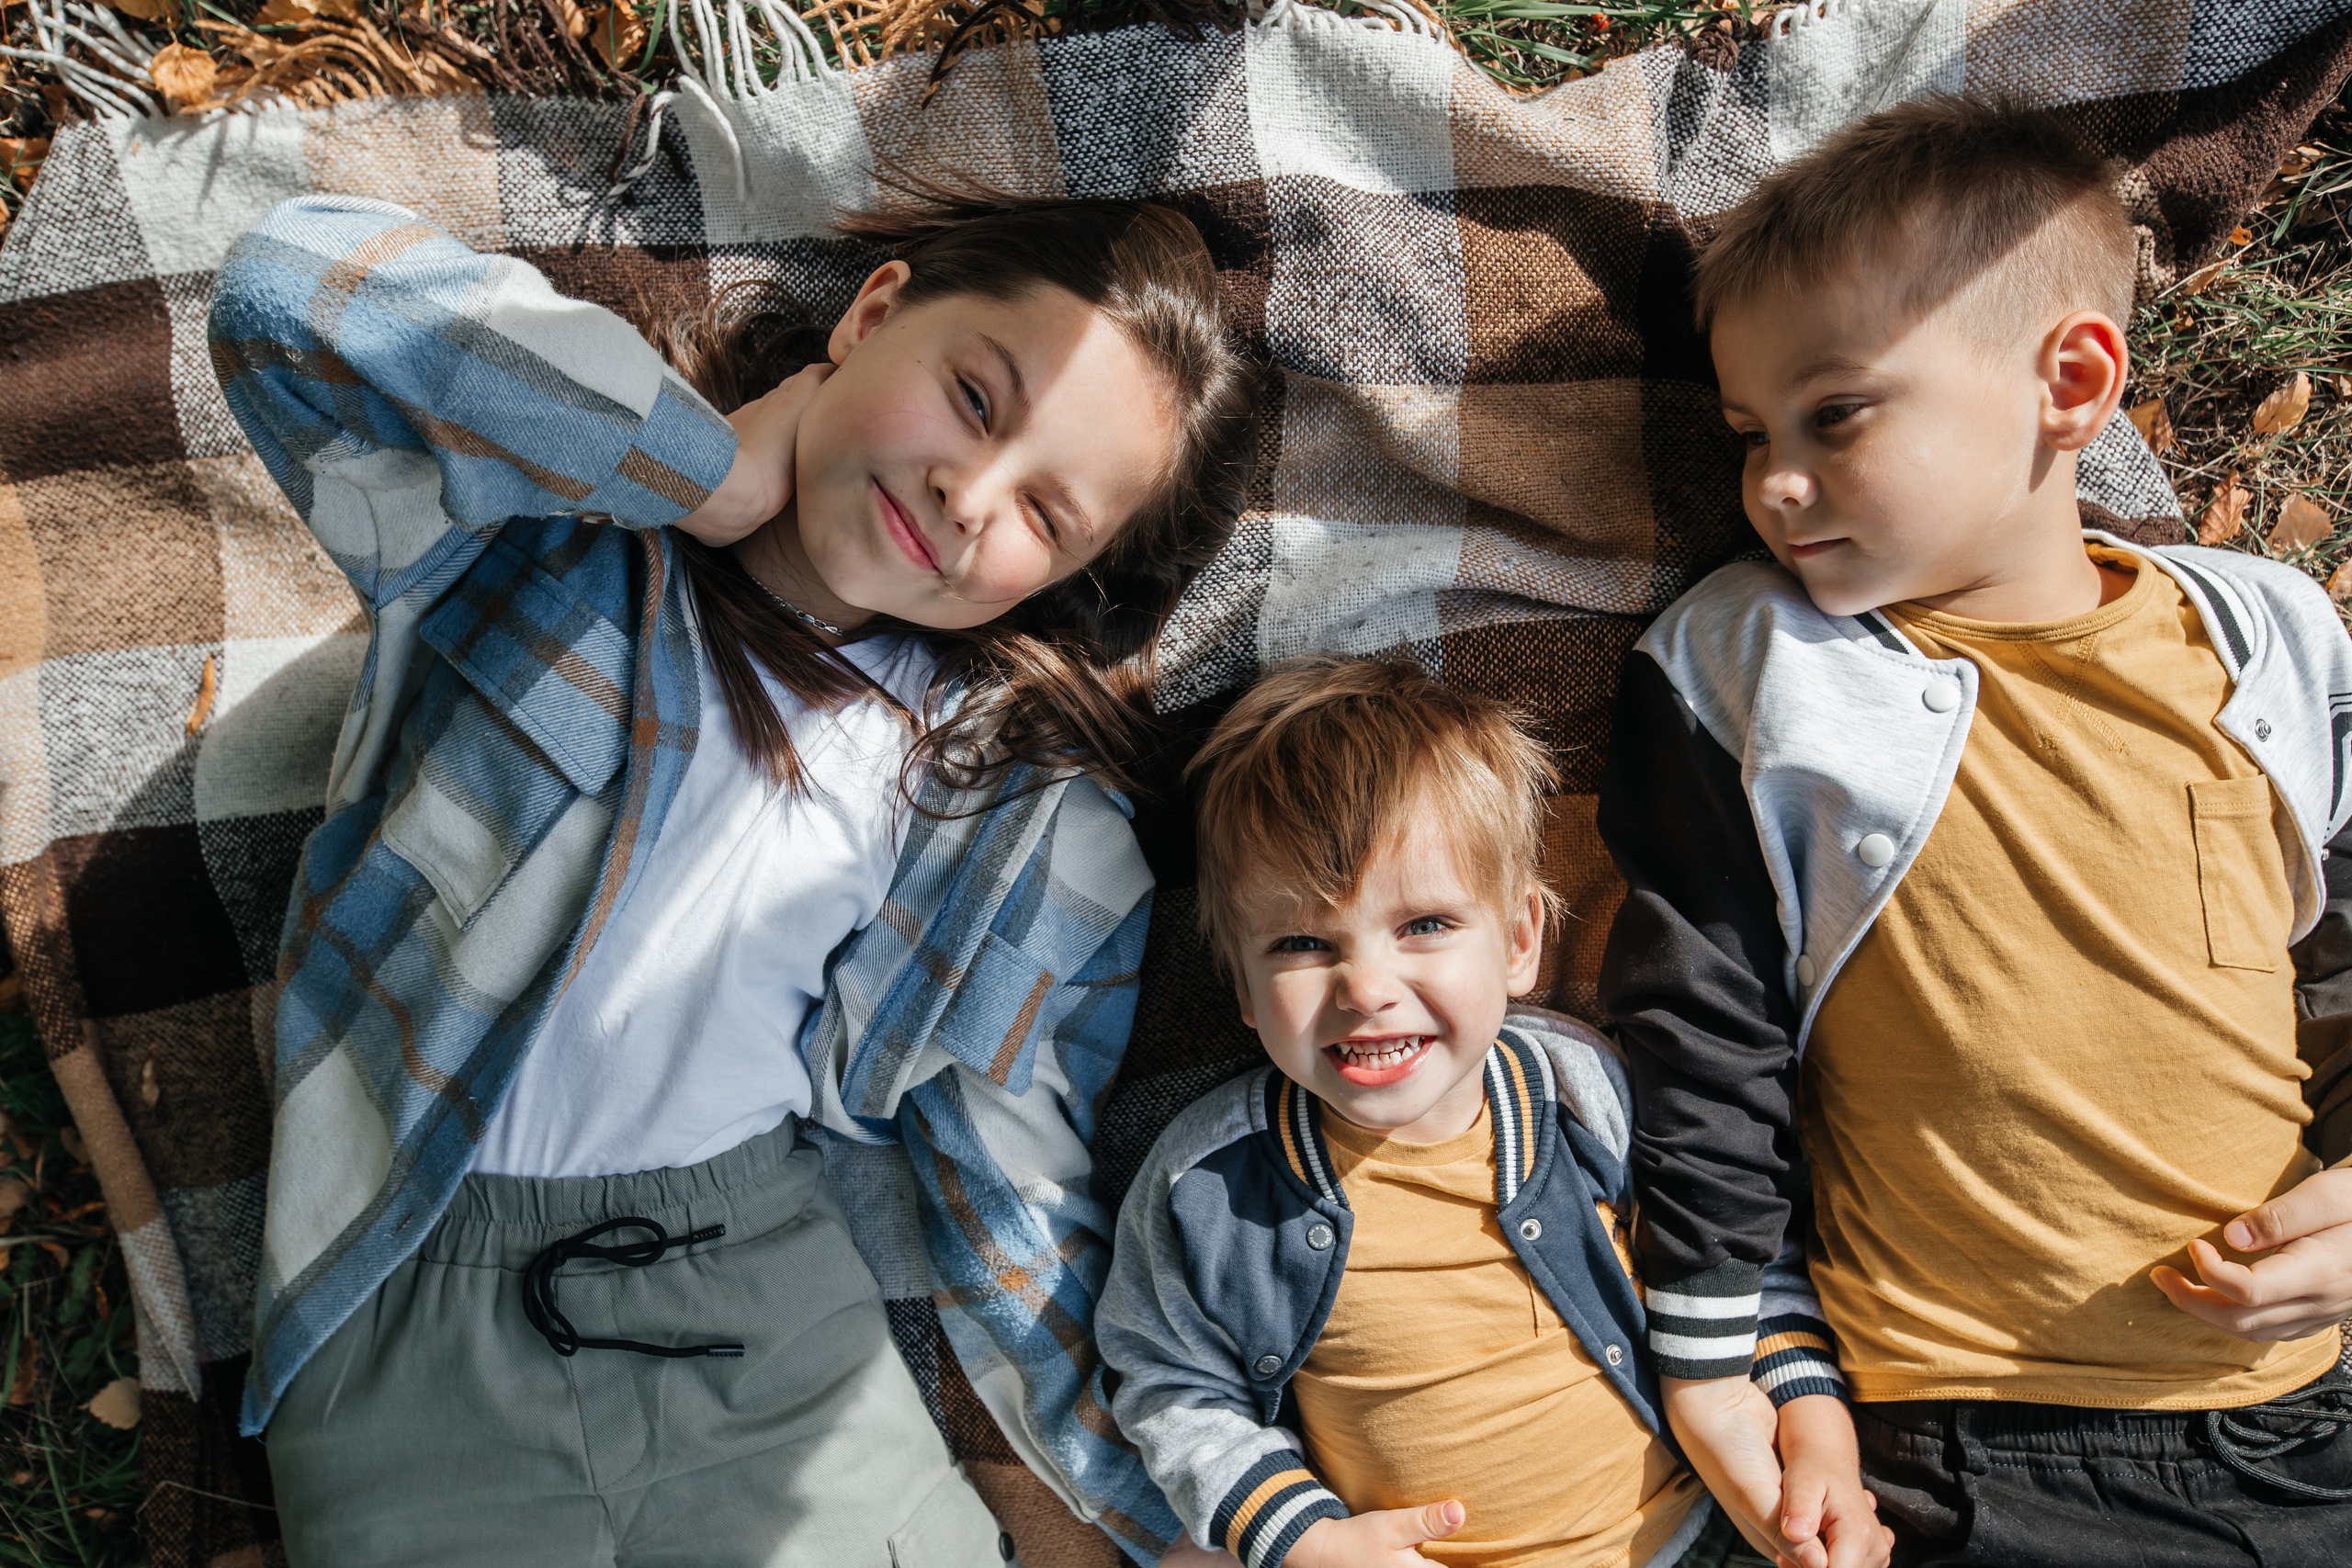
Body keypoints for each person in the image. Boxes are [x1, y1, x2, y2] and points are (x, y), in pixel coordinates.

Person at [208, 185, 1258, 1566]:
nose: (968, 494)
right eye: (973, 399)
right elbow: (290, 289)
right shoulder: (539, 541)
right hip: (402, 1294)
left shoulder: (1007, 805)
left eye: (1046, 515)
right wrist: (702, 475)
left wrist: (1162, 1513)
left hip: (754, 1300)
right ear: (873, 313)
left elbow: (1010, 1173)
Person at [1599, 96, 2352, 1568]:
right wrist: (1716, 1355)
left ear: (2070, 382)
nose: (1774, 481)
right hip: (1958, 1436)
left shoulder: (2270, 635)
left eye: (1836, 413)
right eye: (1751, 433)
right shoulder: (1749, 664)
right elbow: (1702, 1031)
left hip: (2300, 1404)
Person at [1099, 656, 1890, 1568]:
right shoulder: (1208, 1184)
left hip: (1693, 1538)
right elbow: (1169, 1383)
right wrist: (1300, 1537)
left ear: (1518, 941)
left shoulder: (1582, 1092)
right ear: (1242, 987)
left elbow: (1733, 1247)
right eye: (1303, 943)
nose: (1365, 989)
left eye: (1423, 926)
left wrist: (1813, 1428)